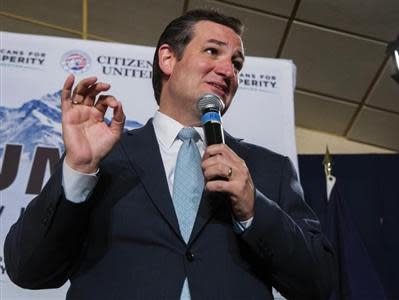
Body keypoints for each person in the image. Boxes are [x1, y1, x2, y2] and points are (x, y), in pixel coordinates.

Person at [4, 9, 335, 300]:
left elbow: (318, 283)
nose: (228, 71)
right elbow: (27, 269)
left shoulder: (267, 169)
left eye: (236, 64)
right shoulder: (106, 156)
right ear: (167, 59)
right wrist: (78, 169)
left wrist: (253, 208)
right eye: (212, 52)